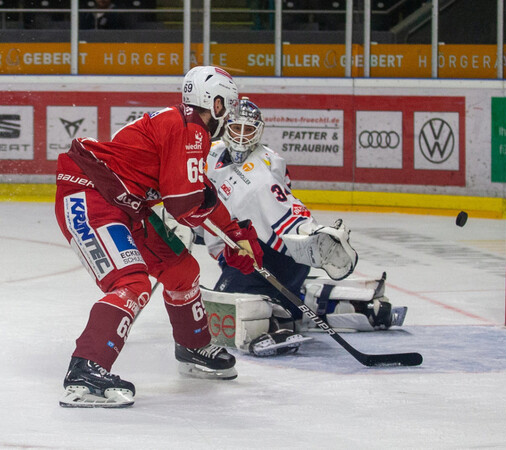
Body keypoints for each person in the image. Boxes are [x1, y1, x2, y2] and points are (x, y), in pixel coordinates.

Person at [53, 66, 263, 408]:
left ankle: (193, 346)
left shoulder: (184, 125)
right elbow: (185, 205)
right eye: (228, 104)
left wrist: (234, 232)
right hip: (91, 198)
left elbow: (196, 191)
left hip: (126, 206)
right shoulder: (192, 130)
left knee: (182, 271)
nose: (229, 112)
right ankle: (86, 372)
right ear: (217, 102)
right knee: (131, 284)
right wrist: (227, 234)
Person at [186, 98, 407, 357]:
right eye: (237, 128)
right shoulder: (210, 154)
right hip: (241, 255)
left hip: (271, 255)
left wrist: (310, 236)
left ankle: (278, 323)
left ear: (259, 131)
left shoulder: (266, 167)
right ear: (227, 127)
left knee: (220, 311)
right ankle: (359, 307)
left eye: (249, 130)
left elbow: (285, 208)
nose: (243, 137)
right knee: (229, 304)